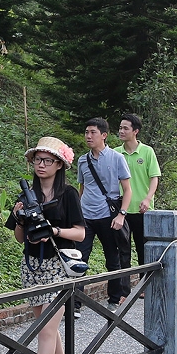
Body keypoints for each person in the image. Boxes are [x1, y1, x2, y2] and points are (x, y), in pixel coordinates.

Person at [5, 137, 86, 354]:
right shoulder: (26, 195)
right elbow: (19, 238)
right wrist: (18, 218)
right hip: (31, 266)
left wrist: (54, 231)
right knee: (48, 328)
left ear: (59, 164)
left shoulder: (69, 194)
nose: (40, 165)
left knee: (45, 331)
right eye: (37, 160)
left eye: (47, 160)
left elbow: (81, 232)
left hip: (57, 266)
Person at [75, 118, 132, 310]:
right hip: (86, 217)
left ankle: (114, 299)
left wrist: (121, 214)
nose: (88, 136)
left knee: (112, 258)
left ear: (104, 135)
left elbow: (127, 189)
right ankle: (75, 304)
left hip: (109, 215)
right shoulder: (83, 160)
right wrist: (77, 214)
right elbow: (82, 189)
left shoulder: (117, 158)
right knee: (79, 258)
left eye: (93, 132)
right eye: (86, 132)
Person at [116, 114, 161, 266]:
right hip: (122, 210)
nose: (121, 131)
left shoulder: (147, 152)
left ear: (135, 131)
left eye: (125, 128)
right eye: (120, 128)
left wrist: (148, 198)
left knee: (144, 250)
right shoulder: (115, 153)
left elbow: (154, 177)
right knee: (123, 251)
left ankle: (144, 286)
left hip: (143, 210)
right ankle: (124, 288)